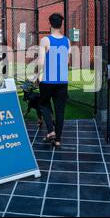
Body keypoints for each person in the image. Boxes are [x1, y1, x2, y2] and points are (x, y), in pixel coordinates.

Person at [34, 13, 70, 148]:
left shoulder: (45, 40)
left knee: (43, 104)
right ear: (61, 24)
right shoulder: (67, 41)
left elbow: (41, 62)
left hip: (48, 81)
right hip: (62, 81)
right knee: (60, 111)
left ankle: (50, 131)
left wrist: (37, 75)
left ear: (50, 24)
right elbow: (66, 62)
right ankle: (58, 140)